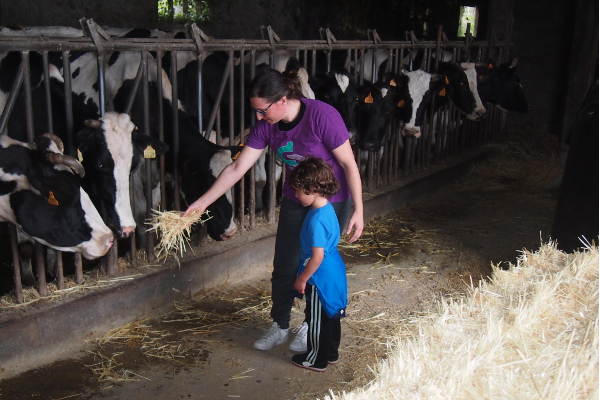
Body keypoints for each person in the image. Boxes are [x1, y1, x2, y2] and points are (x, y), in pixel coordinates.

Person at [182, 67, 364, 352]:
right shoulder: (266, 126)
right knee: (285, 264)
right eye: (256, 110)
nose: (258, 117)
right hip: (296, 198)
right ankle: (279, 324)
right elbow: (238, 167)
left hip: (332, 200)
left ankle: (308, 324)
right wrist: (203, 202)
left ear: (282, 100)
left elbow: (349, 165)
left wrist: (358, 210)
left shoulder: (323, 116)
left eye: (262, 110)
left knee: (318, 262)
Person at [289, 156, 347, 372]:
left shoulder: (315, 220)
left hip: (319, 275)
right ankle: (331, 353)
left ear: (313, 189)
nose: (296, 195)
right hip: (334, 270)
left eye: (298, 190)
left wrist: (302, 278)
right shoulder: (327, 209)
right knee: (332, 314)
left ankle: (316, 359)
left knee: (316, 319)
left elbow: (317, 256)